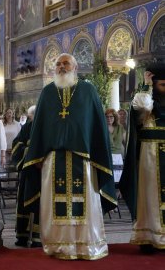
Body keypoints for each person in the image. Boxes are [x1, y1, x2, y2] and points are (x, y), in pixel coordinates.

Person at [22, 53, 117, 260]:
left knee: (84, 204)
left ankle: (85, 245)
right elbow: (39, 128)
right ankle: (58, 246)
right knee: (55, 205)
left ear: (75, 67)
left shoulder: (88, 90)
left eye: (66, 63)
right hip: (52, 160)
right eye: (58, 64)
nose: (61, 67)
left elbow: (97, 128)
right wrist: (36, 157)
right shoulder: (47, 93)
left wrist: (97, 155)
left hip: (83, 160)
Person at [120, 63, 165, 254]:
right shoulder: (146, 103)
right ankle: (149, 237)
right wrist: (146, 85)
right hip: (150, 157)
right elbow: (142, 105)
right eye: (163, 85)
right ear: (154, 85)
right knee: (150, 196)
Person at [11, 105, 41, 247]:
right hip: (28, 170)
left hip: (43, 172)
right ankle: (22, 235)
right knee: (24, 201)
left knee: (40, 203)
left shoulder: (49, 126)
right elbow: (17, 145)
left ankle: (37, 237)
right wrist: (30, 152)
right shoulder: (27, 127)